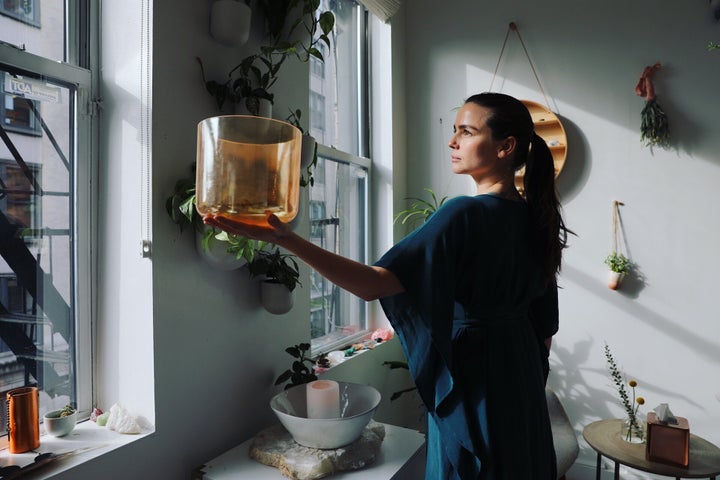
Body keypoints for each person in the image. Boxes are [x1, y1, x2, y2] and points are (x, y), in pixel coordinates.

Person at [203, 92, 571, 479]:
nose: (452, 141)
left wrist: (285, 238)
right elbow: (544, 331)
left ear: (505, 146)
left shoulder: (464, 213)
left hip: (476, 379)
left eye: (466, 131)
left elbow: (374, 285)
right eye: (455, 130)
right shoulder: (535, 220)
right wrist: (518, 376)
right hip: (522, 378)